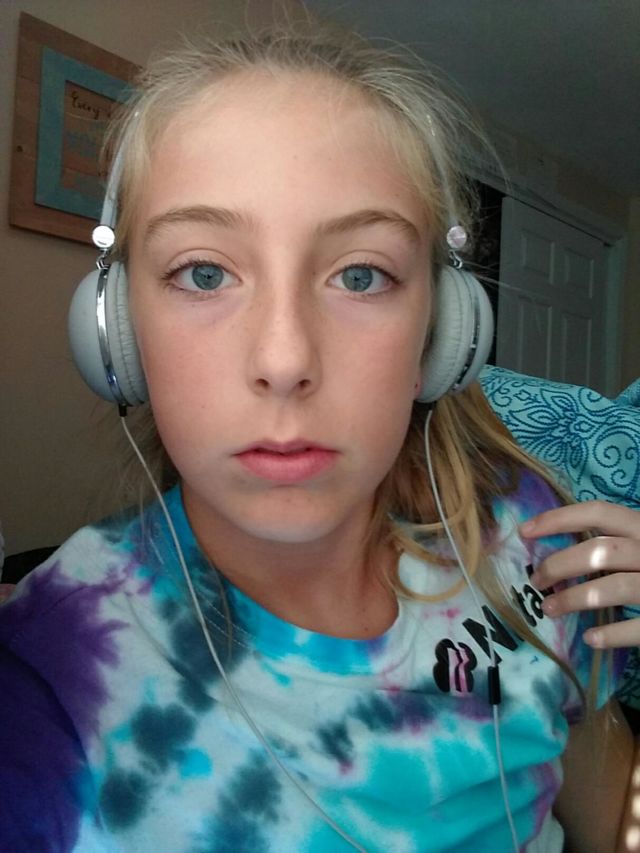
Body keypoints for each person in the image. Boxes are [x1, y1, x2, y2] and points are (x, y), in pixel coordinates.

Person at [1, 21, 639, 853]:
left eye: (360, 275)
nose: (285, 359)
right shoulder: (51, 679)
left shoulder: (529, 530)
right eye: (204, 272)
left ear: (442, 333)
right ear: (118, 332)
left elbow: (618, 813)